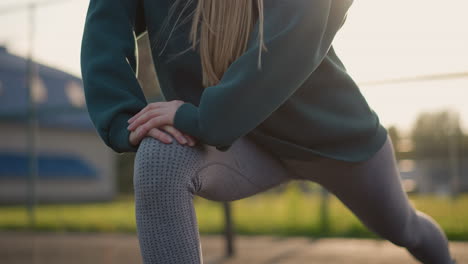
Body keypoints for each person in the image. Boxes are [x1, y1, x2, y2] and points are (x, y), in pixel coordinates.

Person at [80, 0, 456, 263]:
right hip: (241, 144)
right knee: (159, 156)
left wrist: (205, 120)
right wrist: (124, 117)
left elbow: (288, 42)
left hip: (332, 140)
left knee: (407, 229)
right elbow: (106, 22)